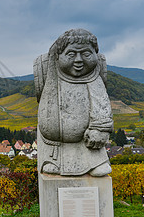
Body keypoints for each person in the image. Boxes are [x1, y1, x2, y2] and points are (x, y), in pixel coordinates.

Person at [34, 29, 113, 176]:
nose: (78, 60)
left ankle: (95, 163)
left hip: (89, 145)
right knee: (51, 166)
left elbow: (102, 104)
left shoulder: (95, 76)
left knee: (99, 167)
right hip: (54, 147)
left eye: (86, 54)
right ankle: (54, 161)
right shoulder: (47, 69)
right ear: (58, 56)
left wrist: (100, 129)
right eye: (71, 54)